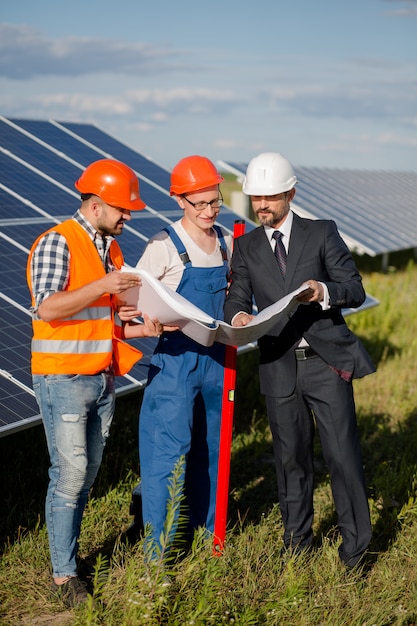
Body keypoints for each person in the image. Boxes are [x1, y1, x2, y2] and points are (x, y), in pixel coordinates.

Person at [27, 159, 171, 607]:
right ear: (95, 204)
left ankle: (67, 559)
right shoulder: (58, 242)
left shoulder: (110, 250)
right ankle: (64, 576)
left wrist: (136, 328)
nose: (128, 217)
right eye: (122, 209)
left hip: (100, 379)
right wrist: (104, 285)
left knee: (85, 475)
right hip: (63, 379)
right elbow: (48, 309)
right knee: (69, 476)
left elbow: (98, 321)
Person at [224, 152, 375, 569]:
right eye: (256, 198)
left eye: (270, 196)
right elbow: (236, 298)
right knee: (290, 459)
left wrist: (322, 291)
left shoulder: (322, 232)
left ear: (290, 193)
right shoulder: (246, 246)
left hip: (326, 363)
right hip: (278, 365)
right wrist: (238, 316)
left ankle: (356, 551)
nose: (262, 206)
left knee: (342, 457)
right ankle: (297, 544)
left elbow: (354, 288)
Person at [123, 155, 232, 559]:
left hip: (219, 360)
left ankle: (209, 537)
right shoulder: (162, 245)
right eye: (199, 204)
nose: (208, 211)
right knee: (167, 455)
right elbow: (130, 305)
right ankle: (159, 550)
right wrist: (152, 321)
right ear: (180, 201)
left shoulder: (227, 240)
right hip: (175, 363)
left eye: (214, 202)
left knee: (214, 451)